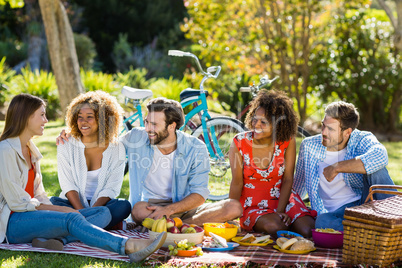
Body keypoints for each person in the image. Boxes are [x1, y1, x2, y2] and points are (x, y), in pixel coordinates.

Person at [0, 93, 166, 262]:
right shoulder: (5, 150)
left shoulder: (30, 149)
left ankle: (59, 240)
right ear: (26, 117)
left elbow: (39, 193)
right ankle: (128, 246)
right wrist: (66, 211)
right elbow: (18, 203)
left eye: (89, 117)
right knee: (75, 216)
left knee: (109, 210)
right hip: (12, 223)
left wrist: (63, 212)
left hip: (31, 215)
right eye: (42, 115)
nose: (46, 121)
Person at [58, 97, 242, 226]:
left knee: (233, 206)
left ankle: (175, 224)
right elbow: (106, 141)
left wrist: (169, 210)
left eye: (154, 124)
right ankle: (179, 226)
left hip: (184, 206)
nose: (147, 128)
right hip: (150, 207)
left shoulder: (196, 148)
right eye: (146, 122)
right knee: (136, 210)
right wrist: (72, 133)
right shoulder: (136, 137)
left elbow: (200, 194)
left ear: (172, 126)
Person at [293, 101, 395, 231]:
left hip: (363, 204)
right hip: (333, 215)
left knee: (377, 169)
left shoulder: (362, 139)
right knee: (322, 222)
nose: (323, 132)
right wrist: (287, 209)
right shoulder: (309, 146)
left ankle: (395, 219)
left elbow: (380, 156)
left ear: (347, 132)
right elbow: (298, 184)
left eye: (330, 129)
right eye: (323, 125)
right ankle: (373, 230)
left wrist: (337, 167)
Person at [229, 90, 316, 237]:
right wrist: (230, 216)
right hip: (253, 205)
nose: (256, 124)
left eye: (263, 122)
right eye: (255, 119)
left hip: (284, 199)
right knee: (276, 226)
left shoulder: (287, 141)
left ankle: (291, 226)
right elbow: (237, 183)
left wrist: (280, 211)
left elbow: (288, 178)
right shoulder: (239, 142)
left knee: (308, 230)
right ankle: (284, 228)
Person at [50, 91, 131, 230]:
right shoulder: (66, 143)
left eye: (89, 117)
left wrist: (93, 212)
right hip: (72, 204)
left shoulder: (117, 148)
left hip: (101, 206)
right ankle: (97, 226)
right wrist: (83, 212)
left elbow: (111, 188)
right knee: (52, 202)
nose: (83, 122)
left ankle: (72, 229)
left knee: (123, 206)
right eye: (79, 117)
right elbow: (67, 184)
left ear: (103, 120)